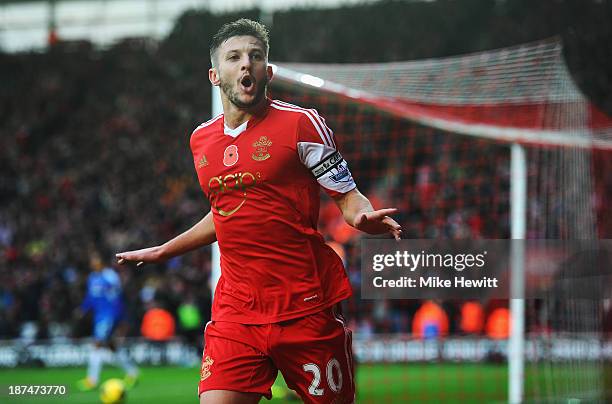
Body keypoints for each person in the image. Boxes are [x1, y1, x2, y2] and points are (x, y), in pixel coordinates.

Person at [116, 18, 401, 404]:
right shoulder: (201, 140)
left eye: (255, 56)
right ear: (215, 75)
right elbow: (226, 212)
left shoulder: (302, 124)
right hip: (237, 311)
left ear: (268, 71)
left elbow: (348, 196)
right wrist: (166, 249)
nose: (246, 64)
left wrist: (360, 217)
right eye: (234, 57)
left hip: (304, 306)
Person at [77, 250, 139, 391]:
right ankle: (133, 373)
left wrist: (120, 317)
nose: (93, 263)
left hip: (109, 316)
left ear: (101, 262)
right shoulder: (92, 278)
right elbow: (90, 297)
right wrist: (83, 309)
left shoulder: (110, 276)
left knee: (97, 344)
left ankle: (92, 380)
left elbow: (117, 298)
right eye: (92, 261)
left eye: (95, 260)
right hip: (99, 316)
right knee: (112, 346)